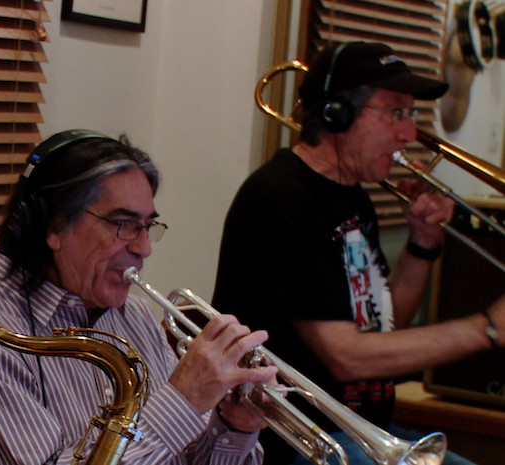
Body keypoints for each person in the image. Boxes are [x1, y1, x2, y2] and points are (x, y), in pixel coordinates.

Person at [211, 41, 504, 465]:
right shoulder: (280, 198)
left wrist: (422, 243)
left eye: (411, 114)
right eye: (396, 113)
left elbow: (381, 327)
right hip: (299, 440)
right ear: (337, 114)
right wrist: (487, 329)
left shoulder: (353, 196)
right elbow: (347, 358)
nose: (410, 134)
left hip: (366, 430)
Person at [0, 129, 280, 464]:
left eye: (147, 227)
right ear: (53, 226)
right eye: (124, 225)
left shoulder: (135, 315)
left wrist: (234, 426)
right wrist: (182, 403)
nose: (144, 248)